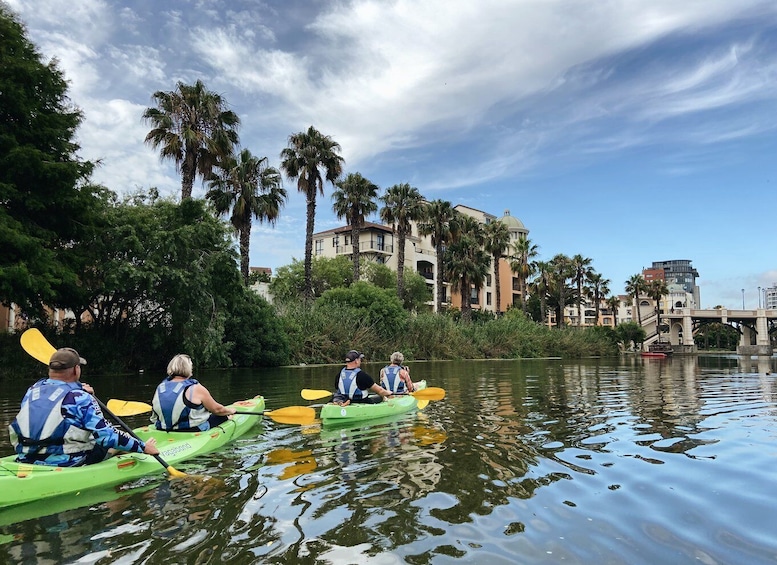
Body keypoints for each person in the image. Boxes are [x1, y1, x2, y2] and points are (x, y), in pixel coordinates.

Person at [9, 347, 159, 467]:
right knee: (113, 443)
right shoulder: (80, 397)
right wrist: (144, 447)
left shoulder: (32, 391)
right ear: (76, 370)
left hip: (26, 457)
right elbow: (107, 437)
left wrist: (86, 394)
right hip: (68, 462)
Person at [150, 353, 236, 431]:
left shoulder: (161, 387)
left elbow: (154, 417)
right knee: (223, 416)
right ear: (188, 368)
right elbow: (217, 409)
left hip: (163, 429)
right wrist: (230, 411)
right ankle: (230, 419)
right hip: (191, 430)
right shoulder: (195, 388)